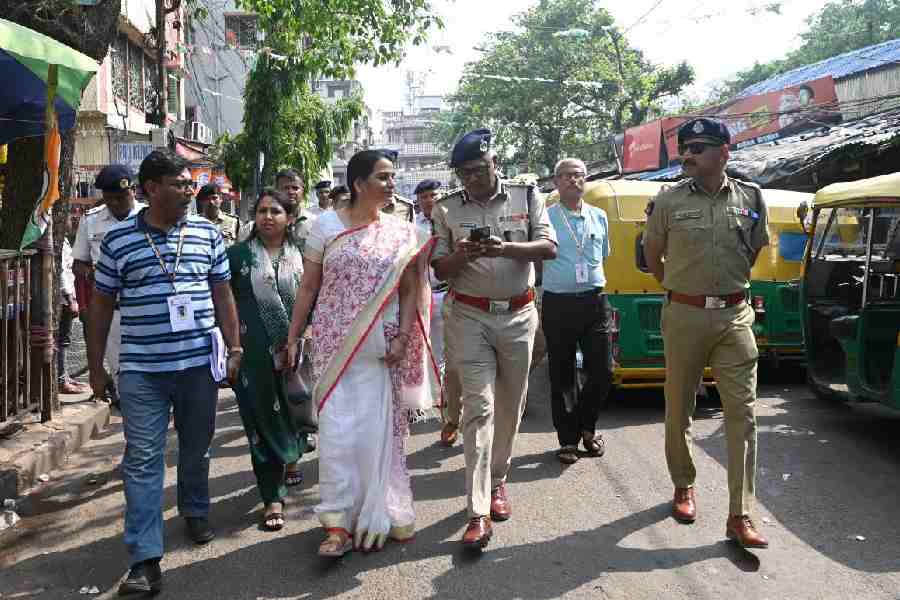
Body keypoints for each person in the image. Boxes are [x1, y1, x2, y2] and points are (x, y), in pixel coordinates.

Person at [87, 149, 242, 595]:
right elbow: (100, 308)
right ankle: (145, 559)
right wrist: (97, 368)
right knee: (142, 460)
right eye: (180, 183)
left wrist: (234, 346)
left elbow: (223, 293)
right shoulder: (118, 242)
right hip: (142, 370)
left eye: (191, 184)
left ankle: (194, 508)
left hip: (196, 365)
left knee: (196, 447)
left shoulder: (207, 234)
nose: (189, 191)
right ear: (151, 189)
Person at [286, 149, 438, 557]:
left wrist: (404, 337)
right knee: (337, 433)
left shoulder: (401, 231)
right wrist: (293, 335)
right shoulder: (325, 227)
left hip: (382, 346)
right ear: (358, 184)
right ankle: (337, 523)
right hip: (336, 344)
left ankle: (380, 512)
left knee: (378, 431)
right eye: (384, 178)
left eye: (392, 177)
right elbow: (308, 288)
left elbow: (409, 290)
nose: (392, 185)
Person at [643, 117, 770, 549]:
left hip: (735, 315)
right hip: (684, 315)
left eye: (699, 147)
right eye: (686, 147)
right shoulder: (668, 200)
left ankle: (741, 514)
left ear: (724, 153)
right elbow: (653, 255)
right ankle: (683, 484)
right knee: (678, 406)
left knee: (744, 415)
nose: (688, 155)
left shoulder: (751, 196)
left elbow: (752, 250)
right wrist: (680, 290)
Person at [431, 129, 557, 549]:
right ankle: (478, 509)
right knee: (479, 409)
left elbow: (549, 247)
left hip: (519, 316)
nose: (472, 178)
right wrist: (461, 255)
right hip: (469, 316)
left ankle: (499, 478)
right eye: (464, 173)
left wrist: (506, 250)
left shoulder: (526, 196)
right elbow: (439, 270)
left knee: (510, 404)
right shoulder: (446, 208)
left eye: (478, 169)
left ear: (494, 162)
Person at [227, 188, 307, 532]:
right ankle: (272, 497)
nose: (268, 217)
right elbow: (223, 303)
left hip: (299, 351)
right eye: (261, 210)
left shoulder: (305, 255)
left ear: (289, 218)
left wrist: (302, 338)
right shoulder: (237, 256)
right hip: (253, 354)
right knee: (260, 422)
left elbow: (316, 298)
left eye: (276, 211)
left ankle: (291, 456)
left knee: (295, 410)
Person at [542, 158, 613, 464]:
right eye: (566, 176)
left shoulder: (599, 216)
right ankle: (568, 439)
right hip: (558, 303)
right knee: (563, 373)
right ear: (556, 182)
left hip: (594, 301)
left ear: (586, 180)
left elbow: (604, 255)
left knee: (603, 370)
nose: (573, 180)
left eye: (578, 175)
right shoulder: (545, 218)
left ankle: (587, 426)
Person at [72, 164, 145, 402]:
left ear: (132, 191)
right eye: (109, 198)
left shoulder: (151, 216)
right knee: (124, 375)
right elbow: (78, 263)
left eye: (120, 197)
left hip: (149, 310)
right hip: (113, 312)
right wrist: (95, 273)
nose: (114, 204)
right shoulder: (91, 221)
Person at [58, 214, 89, 394]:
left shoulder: (65, 242)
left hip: (69, 296)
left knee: (65, 339)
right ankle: (61, 379)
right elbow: (61, 272)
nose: (74, 220)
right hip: (64, 299)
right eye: (71, 217)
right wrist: (70, 299)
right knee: (62, 340)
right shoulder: (59, 244)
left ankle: (64, 375)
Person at [376, 149, 415, 222]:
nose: (392, 184)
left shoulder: (406, 207)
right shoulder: (354, 208)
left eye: (392, 177)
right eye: (382, 177)